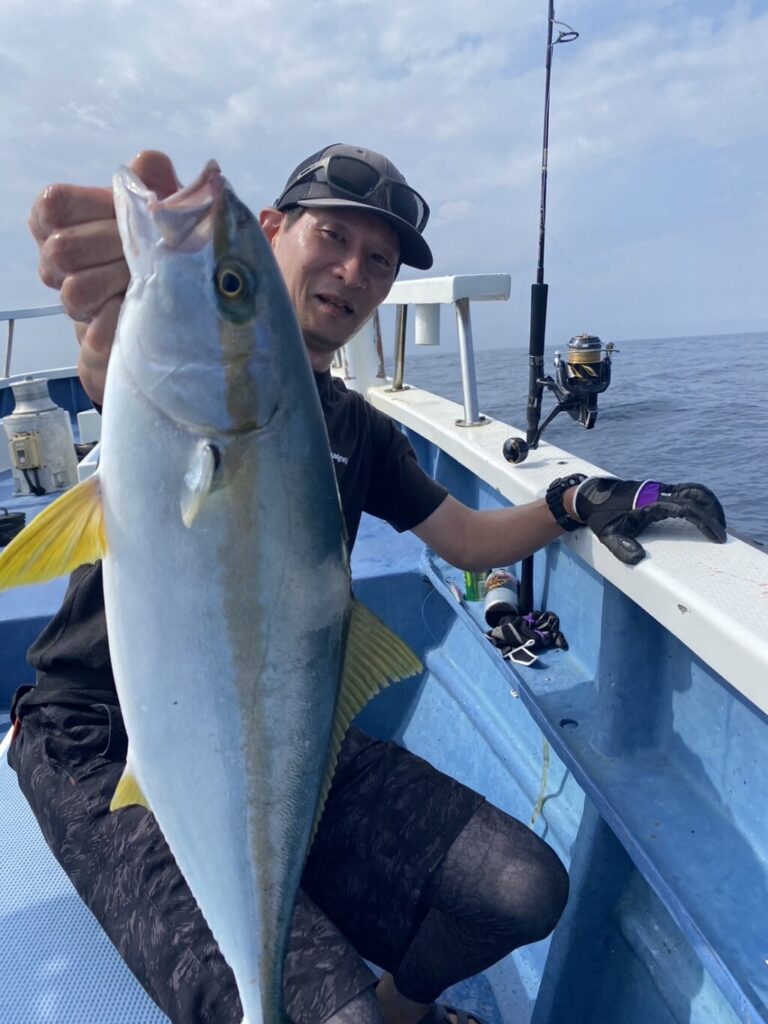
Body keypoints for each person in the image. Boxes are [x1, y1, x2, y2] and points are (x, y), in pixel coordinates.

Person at [11, 144, 727, 1024]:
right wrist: (122, 324)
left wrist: (575, 500)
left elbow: (467, 538)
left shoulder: (362, 429)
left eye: (380, 261)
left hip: (275, 731)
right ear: (272, 230)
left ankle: (399, 1008)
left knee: (520, 888)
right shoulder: (173, 385)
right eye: (332, 237)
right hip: (92, 737)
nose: (354, 271)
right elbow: (121, 374)